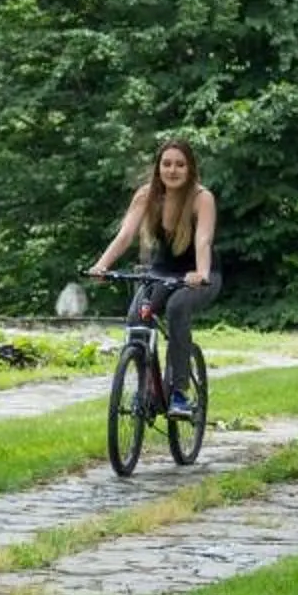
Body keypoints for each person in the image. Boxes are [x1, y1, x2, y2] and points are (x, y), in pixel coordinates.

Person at [89, 138, 218, 418]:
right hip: (162, 272)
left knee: (177, 307)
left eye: (180, 165)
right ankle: (147, 387)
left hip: (201, 274)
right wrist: (101, 265)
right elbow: (125, 236)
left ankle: (179, 394)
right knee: (138, 316)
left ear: (190, 169)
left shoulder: (201, 198)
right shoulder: (146, 196)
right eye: (167, 164)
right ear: (158, 167)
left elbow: (204, 240)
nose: (173, 170)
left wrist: (201, 273)